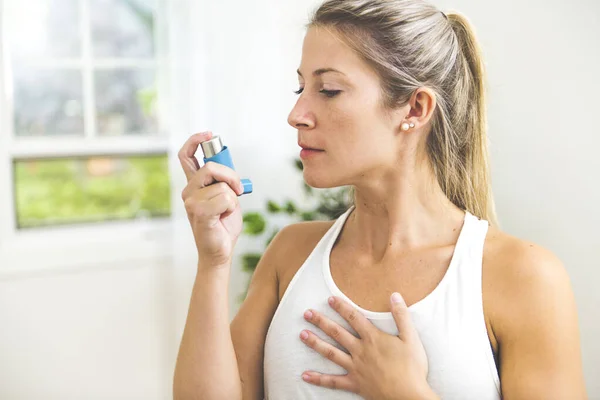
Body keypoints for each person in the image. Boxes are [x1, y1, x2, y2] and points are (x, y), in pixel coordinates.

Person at [173, 0, 587, 399]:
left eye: (329, 89)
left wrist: (407, 394)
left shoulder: (523, 277)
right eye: (301, 87)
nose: (297, 113)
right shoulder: (290, 255)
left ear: (416, 107)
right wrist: (214, 262)